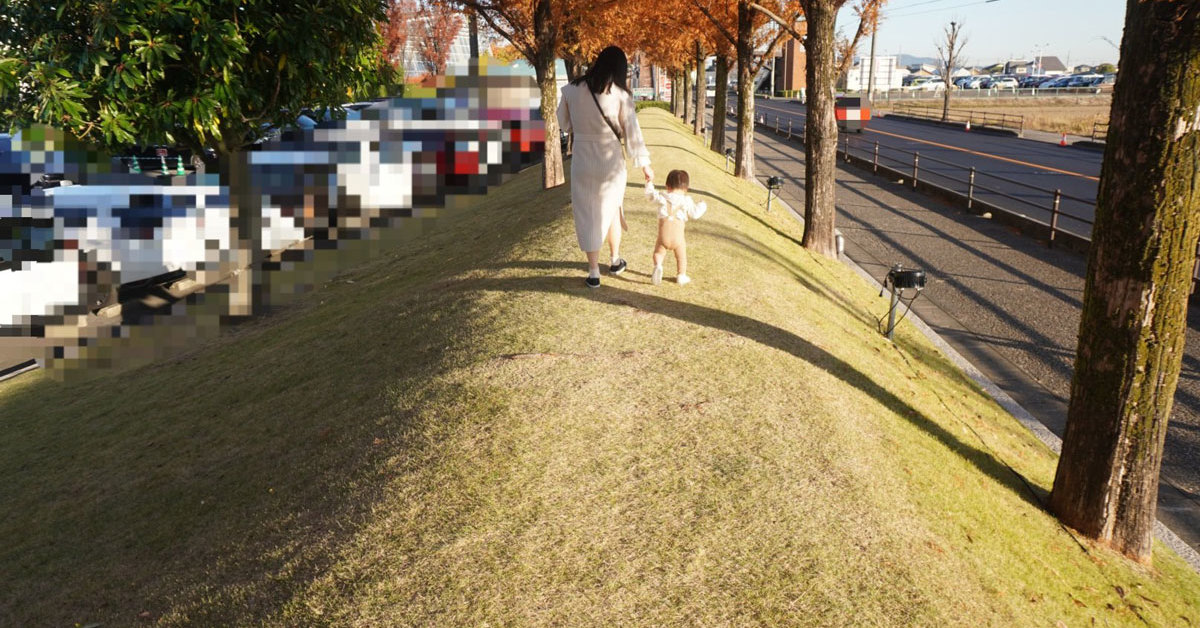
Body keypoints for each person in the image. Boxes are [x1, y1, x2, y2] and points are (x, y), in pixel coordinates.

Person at [556, 46, 653, 288]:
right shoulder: (620, 94)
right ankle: (615, 260)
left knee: (587, 212)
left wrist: (581, 129)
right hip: (610, 160)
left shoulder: (571, 89)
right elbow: (633, 134)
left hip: (582, 158)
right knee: (612, 208)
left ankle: (593, 272)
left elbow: (563, 123)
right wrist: (645, 166)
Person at [644, 169, 707, 286]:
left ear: (667, 186)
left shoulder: (662, 197)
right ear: (686, 189)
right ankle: (681, 275)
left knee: (658, 253)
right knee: (681, 256)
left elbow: (650, 195)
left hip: (663, 237)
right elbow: (695, 213)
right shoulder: (686, 200)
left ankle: (658, 266)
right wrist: (702, 205)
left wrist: (649, 182)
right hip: (678, 238)